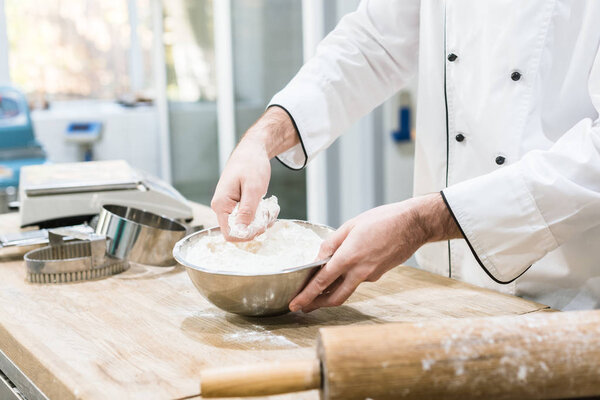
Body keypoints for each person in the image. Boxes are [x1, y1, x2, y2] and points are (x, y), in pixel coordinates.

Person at [211, 0, 600, 312]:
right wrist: (262, 138)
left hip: (563, 298)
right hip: (441, 288)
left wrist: (420, 224)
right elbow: (371, 45)